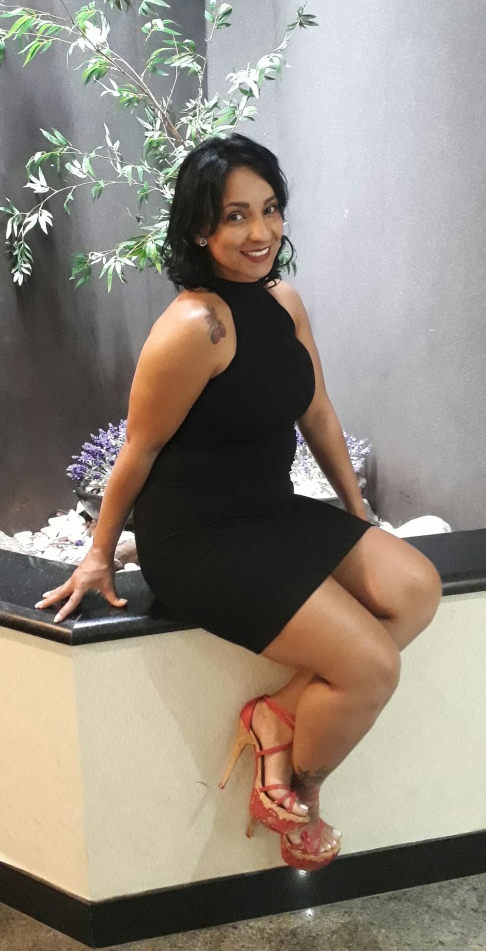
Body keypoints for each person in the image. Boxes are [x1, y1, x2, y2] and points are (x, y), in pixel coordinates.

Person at [36, 135, 442, 871]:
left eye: (270, 210)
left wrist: (356, 515)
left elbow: (318, 412)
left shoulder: (283, 303)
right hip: (200, 538)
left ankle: (276, 714)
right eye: (235, 216)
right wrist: (99, 553)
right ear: (200, 229)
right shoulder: (196, 326)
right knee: (370, 666)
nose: (260, 232)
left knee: (417, 586)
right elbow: (138, 450)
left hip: (270, 512)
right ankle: (298, 787)